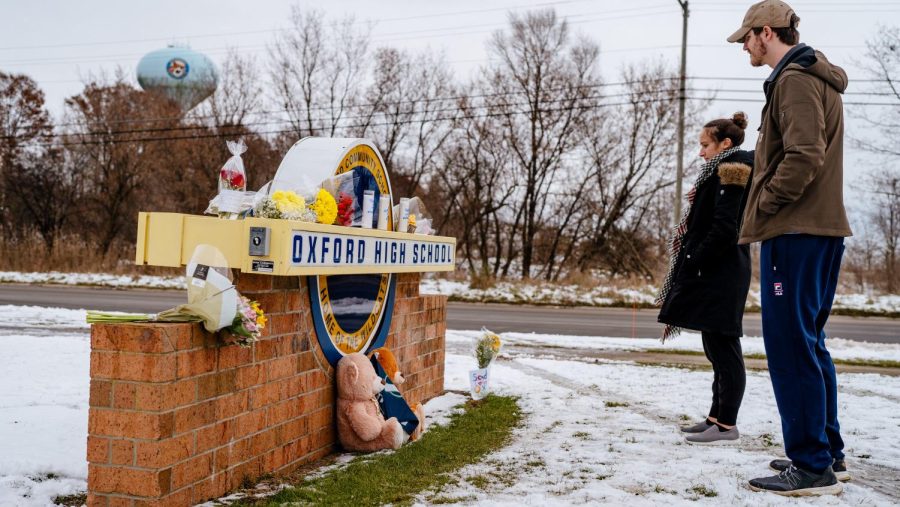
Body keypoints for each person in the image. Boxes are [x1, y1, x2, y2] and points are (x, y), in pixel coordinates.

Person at [727, 0, 853, 496]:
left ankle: (812, 465)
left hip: (796, 232)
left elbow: (804, 155)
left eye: (746, 39)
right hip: (818, 231)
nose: (744, 47)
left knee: (790, 347)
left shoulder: (793, 79)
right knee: (809, 342)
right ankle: (827, 454)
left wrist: (768, 205)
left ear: (765, 32)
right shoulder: (814, 76)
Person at [657, 113, 753, 445]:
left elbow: (725, 229)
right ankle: (715, 417)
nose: (701, 153)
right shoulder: (716, 173)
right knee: (714, 348)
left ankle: (727, 425)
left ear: (725, 144)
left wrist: (694, 257)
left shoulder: (732, 173)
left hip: (723, 272)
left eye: (704, 145)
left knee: (726, 348)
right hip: (715, 271)